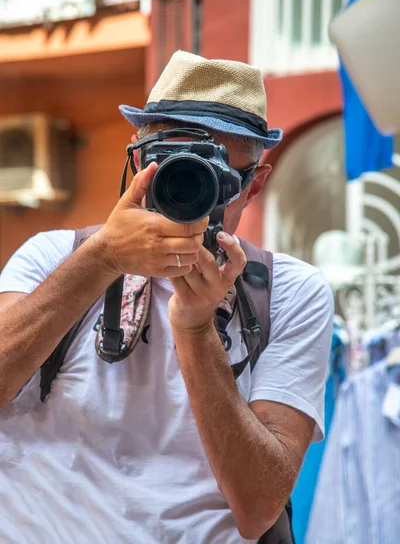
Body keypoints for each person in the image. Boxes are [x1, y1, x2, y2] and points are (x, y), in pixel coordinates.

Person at [0, 51, 333, 543]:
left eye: (212, 176)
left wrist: (196, 328)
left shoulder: (290, 294)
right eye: (171, 165)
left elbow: (258, 508)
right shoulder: (53, 256)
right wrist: (102, 259)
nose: (187, 189)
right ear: (136, 157)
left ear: (254, 184)